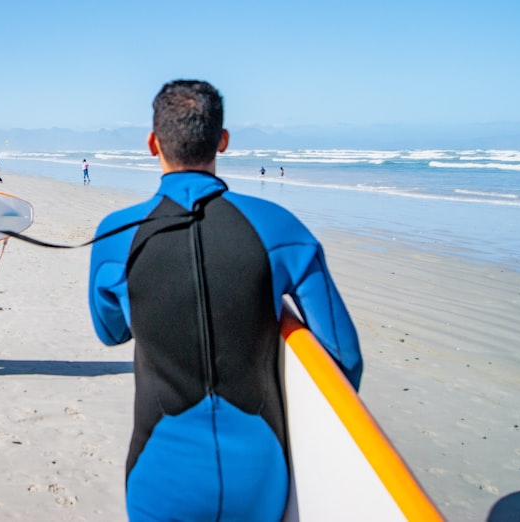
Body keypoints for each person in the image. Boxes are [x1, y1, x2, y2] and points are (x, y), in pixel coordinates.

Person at [88, 80, 362, 521]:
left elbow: (110, 331)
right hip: (261, 472)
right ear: (223, 141)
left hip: (159, 469)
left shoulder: (116, 233)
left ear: (152, 142)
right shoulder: (280, 227)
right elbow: (345, 359)